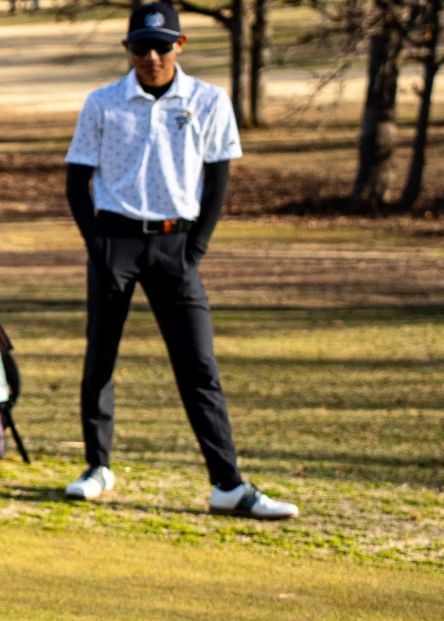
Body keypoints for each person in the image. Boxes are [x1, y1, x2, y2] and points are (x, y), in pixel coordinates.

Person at [62, 2, 297, 520]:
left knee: (198, 366)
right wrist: (96, 243)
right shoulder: (102, 103)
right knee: (100, 357)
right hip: (115, 243)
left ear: (180, 45)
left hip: (176, 245)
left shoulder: (209, 100)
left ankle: (227, 485)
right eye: (141, 47)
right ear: (127, 49)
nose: (152, 56)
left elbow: (218, 180)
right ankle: (96, 467)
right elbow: (76, 180)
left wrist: (197, 247)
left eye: (162, 46)